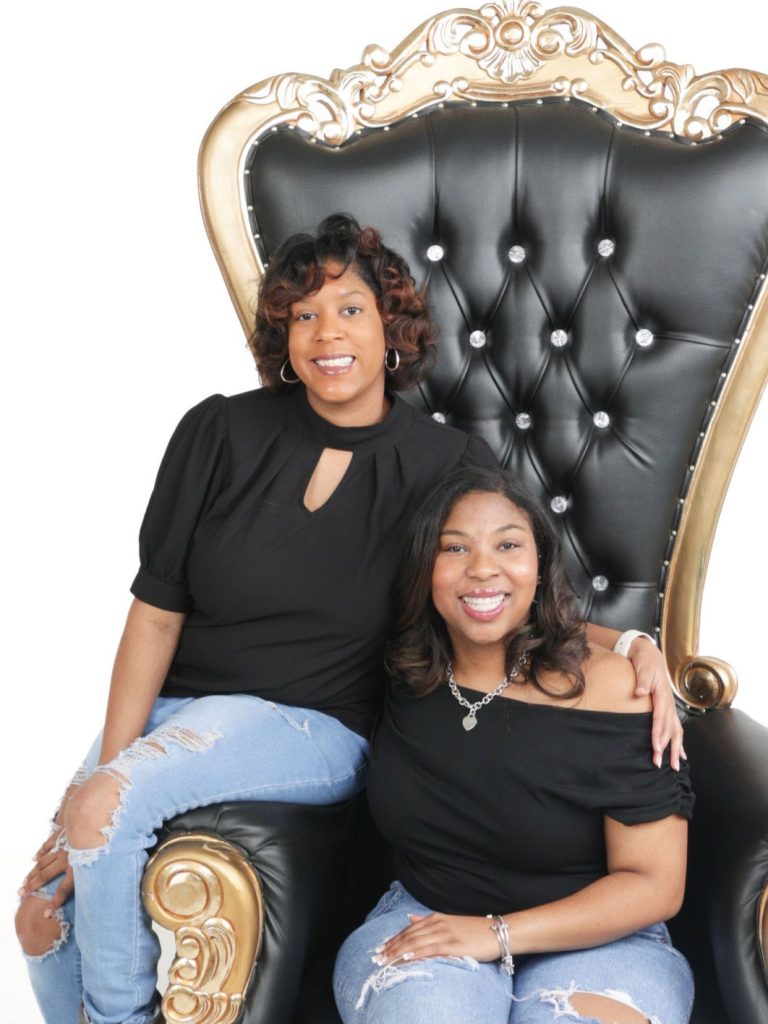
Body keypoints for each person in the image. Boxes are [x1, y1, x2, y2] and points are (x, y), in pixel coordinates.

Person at [16, 216, 683, 1024]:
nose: (327, 333)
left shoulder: (447, 464)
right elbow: (155, 617)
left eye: (351, 310)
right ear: (283, 337)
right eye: (303, 315)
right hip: (176, 717)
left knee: (100, 816)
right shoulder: (217, 432)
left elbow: (512, 588)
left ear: (392, 329)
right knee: (45, 910)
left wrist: (635, 643)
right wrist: (104, 773)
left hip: (309, 724)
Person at [334, 466, 694, 1024]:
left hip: (605, 941)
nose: (482, 568)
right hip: (427, 920)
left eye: (508, 545)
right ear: (425, 570)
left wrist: (495, 934)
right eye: (455, 547)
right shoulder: (404, 668)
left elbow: (655, 884)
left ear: (539, 565)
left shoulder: (616, 688)